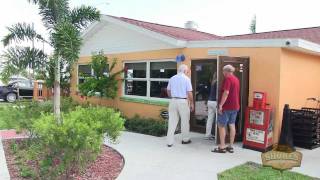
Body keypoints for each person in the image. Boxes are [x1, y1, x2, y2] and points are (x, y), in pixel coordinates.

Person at [213, 65, 240, 153]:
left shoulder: (228, 79)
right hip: (235, 106)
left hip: (226, 107)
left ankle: (222, 147)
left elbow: (226, 92)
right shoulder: (236, 79)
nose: (223, 73)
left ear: (226, 71)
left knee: (221, 126)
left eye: (223, 71)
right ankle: (231, 146)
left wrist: (221, 105)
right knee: (232, 124)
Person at [166, 64, 194, 147]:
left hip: (173, 100)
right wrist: (192, 103)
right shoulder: (186, 79)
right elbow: (189, 92)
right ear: (185, 71)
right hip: (183, 101)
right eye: (187, 71)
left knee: (172, 121)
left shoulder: (172, 78)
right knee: (185, 121)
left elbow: (168, 90)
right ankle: (185, 139)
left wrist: (172, 97)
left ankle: (169, 142)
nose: (187, 72)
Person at [205, 72, 217, 140]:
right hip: (215, 102)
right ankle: (217, 135)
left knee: (210, 119)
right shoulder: (218, 82)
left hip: (210, 101)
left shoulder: (213, 82)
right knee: (218, 119)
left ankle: (207, 135)